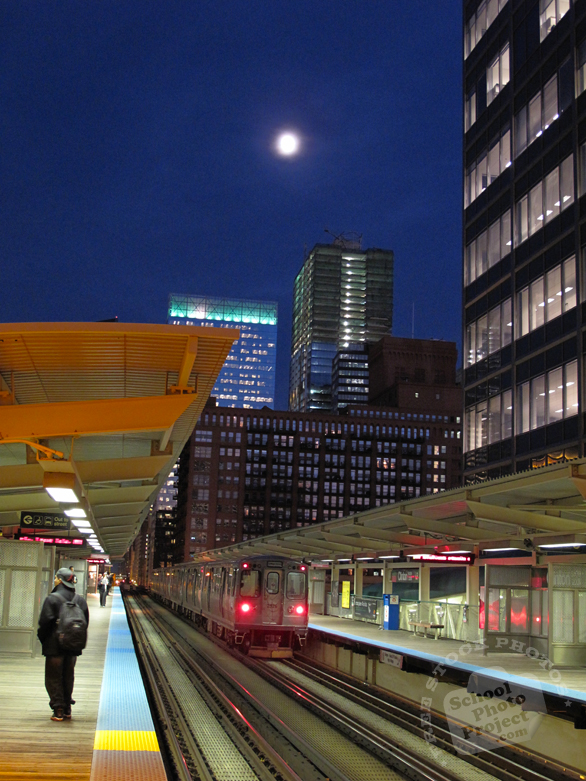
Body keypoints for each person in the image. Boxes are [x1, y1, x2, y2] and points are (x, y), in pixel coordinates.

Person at [37, 567, 89, 722]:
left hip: (54, 646)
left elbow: (44, 623)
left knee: (53, 677)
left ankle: (58, 709)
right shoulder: (79, 600)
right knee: (68, 676)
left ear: (59, 580)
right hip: (72, 646)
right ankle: (67, 708)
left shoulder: (52, 599)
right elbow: (85, 622)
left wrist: (44, 640)